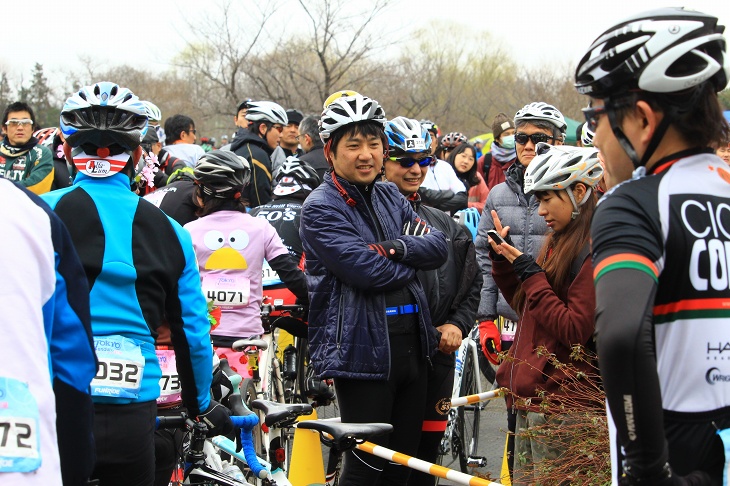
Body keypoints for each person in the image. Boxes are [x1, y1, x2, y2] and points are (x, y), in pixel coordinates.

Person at [42, 82, 232, 486]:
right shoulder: (171, 231)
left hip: (57, 403)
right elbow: (193, 331)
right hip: (134, 409)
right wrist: (200, 403)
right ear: (139, 155)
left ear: (68, 150)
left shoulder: (39, 215)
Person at [574, 7, 730, 484]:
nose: (595, 135)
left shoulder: (632, 204)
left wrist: (647, 467)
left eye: (596, 115)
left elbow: (620, 340)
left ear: (641, 118)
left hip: (675, 447)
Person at [300, 93, 448, 485]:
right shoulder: (320, 207)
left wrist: (395, 248)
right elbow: (367, 272)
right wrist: (409, 263)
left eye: (374, 144)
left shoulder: (388, 194)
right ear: (331, 152)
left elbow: (437, 247)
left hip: (413, 345)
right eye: (353, 145)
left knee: (403, 464)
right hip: (361, 352)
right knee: (366, 470)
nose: (366, 154)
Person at [489, 144, 602, 485]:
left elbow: (572, 329)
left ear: (579, 191)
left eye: (546, 199)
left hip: (565, 407)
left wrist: (531, 273)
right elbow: (532, 309)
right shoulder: (559, 240)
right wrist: (507, 266)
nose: (540, 211)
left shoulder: (592, 249)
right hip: (536, 400)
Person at [381, 116, 482, 486]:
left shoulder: (446, 224)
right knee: (382, 460)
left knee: (425, 460)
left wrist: (457, 324)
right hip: (387, 355)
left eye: (423, 160)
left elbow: (472, 284)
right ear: (383, 160)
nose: (415, 169)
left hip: (438, 355)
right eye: (405, 160)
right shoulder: (362, 220)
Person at [475, 100, 566, 479]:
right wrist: (485, 318)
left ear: (559, 141)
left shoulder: (569, 189)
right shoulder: (498, 195)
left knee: (548, 417)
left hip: (556, 320)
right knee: (515, 414)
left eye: (539, 139)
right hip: (512, 317)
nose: (528, 146)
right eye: (521, 138)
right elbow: (483, 258)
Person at [1, 178, 97, 485]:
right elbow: (72, 362)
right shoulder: (27, 210)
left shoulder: (41, 207)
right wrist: (76, 465)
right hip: (21, 463)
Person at [183, 150, 308, 370]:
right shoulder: (260, 227)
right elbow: (289, 273)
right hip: (248, 340)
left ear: (203, 191)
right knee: (251, 400)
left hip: (203, 337)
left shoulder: (188, 231)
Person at [229, 100, 288, 208]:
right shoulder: (257, 156)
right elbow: (261, 205)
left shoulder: (242, 147)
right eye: (279, 129)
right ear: (263, 128)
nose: (281, 135)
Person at [1, 102, 54, 194]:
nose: (20, 127)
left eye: (25, 123)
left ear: (33, 128)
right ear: (4, 129)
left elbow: (36, 187)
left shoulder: (42, 154)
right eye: (14, 123)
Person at [419, 124, 468, 214]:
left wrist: (436, 205)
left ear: (436, 143)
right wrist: (449, 194)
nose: (427, 140)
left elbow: (462, 196)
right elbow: (422, 194)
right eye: (422, 136)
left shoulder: (445, 166)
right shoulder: (413, 166)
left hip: (445, 222)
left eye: (430, 136)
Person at [478, 113, 517, 191]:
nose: (511, 137)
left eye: (513, 133)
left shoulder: (521, 158)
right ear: (497, 139)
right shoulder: (485, 162)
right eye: (506, 134)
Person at [447, 142, 489, 212]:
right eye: (463, 156)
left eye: (471, 159)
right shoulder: (442, 173)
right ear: (454, 155)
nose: (466, 161)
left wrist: (466, 205)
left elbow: (487, 205)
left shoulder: (476, 178)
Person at [271, 109, 305, 177]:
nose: (292, 130)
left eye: (297, 127)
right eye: (288, 126)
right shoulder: (272, 154)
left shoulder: (306, 156)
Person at [298, 114, 329, 180]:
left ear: (307, 139)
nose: (299, 141)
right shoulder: (337, 158)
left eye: (299, 137)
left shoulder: (300, 164)